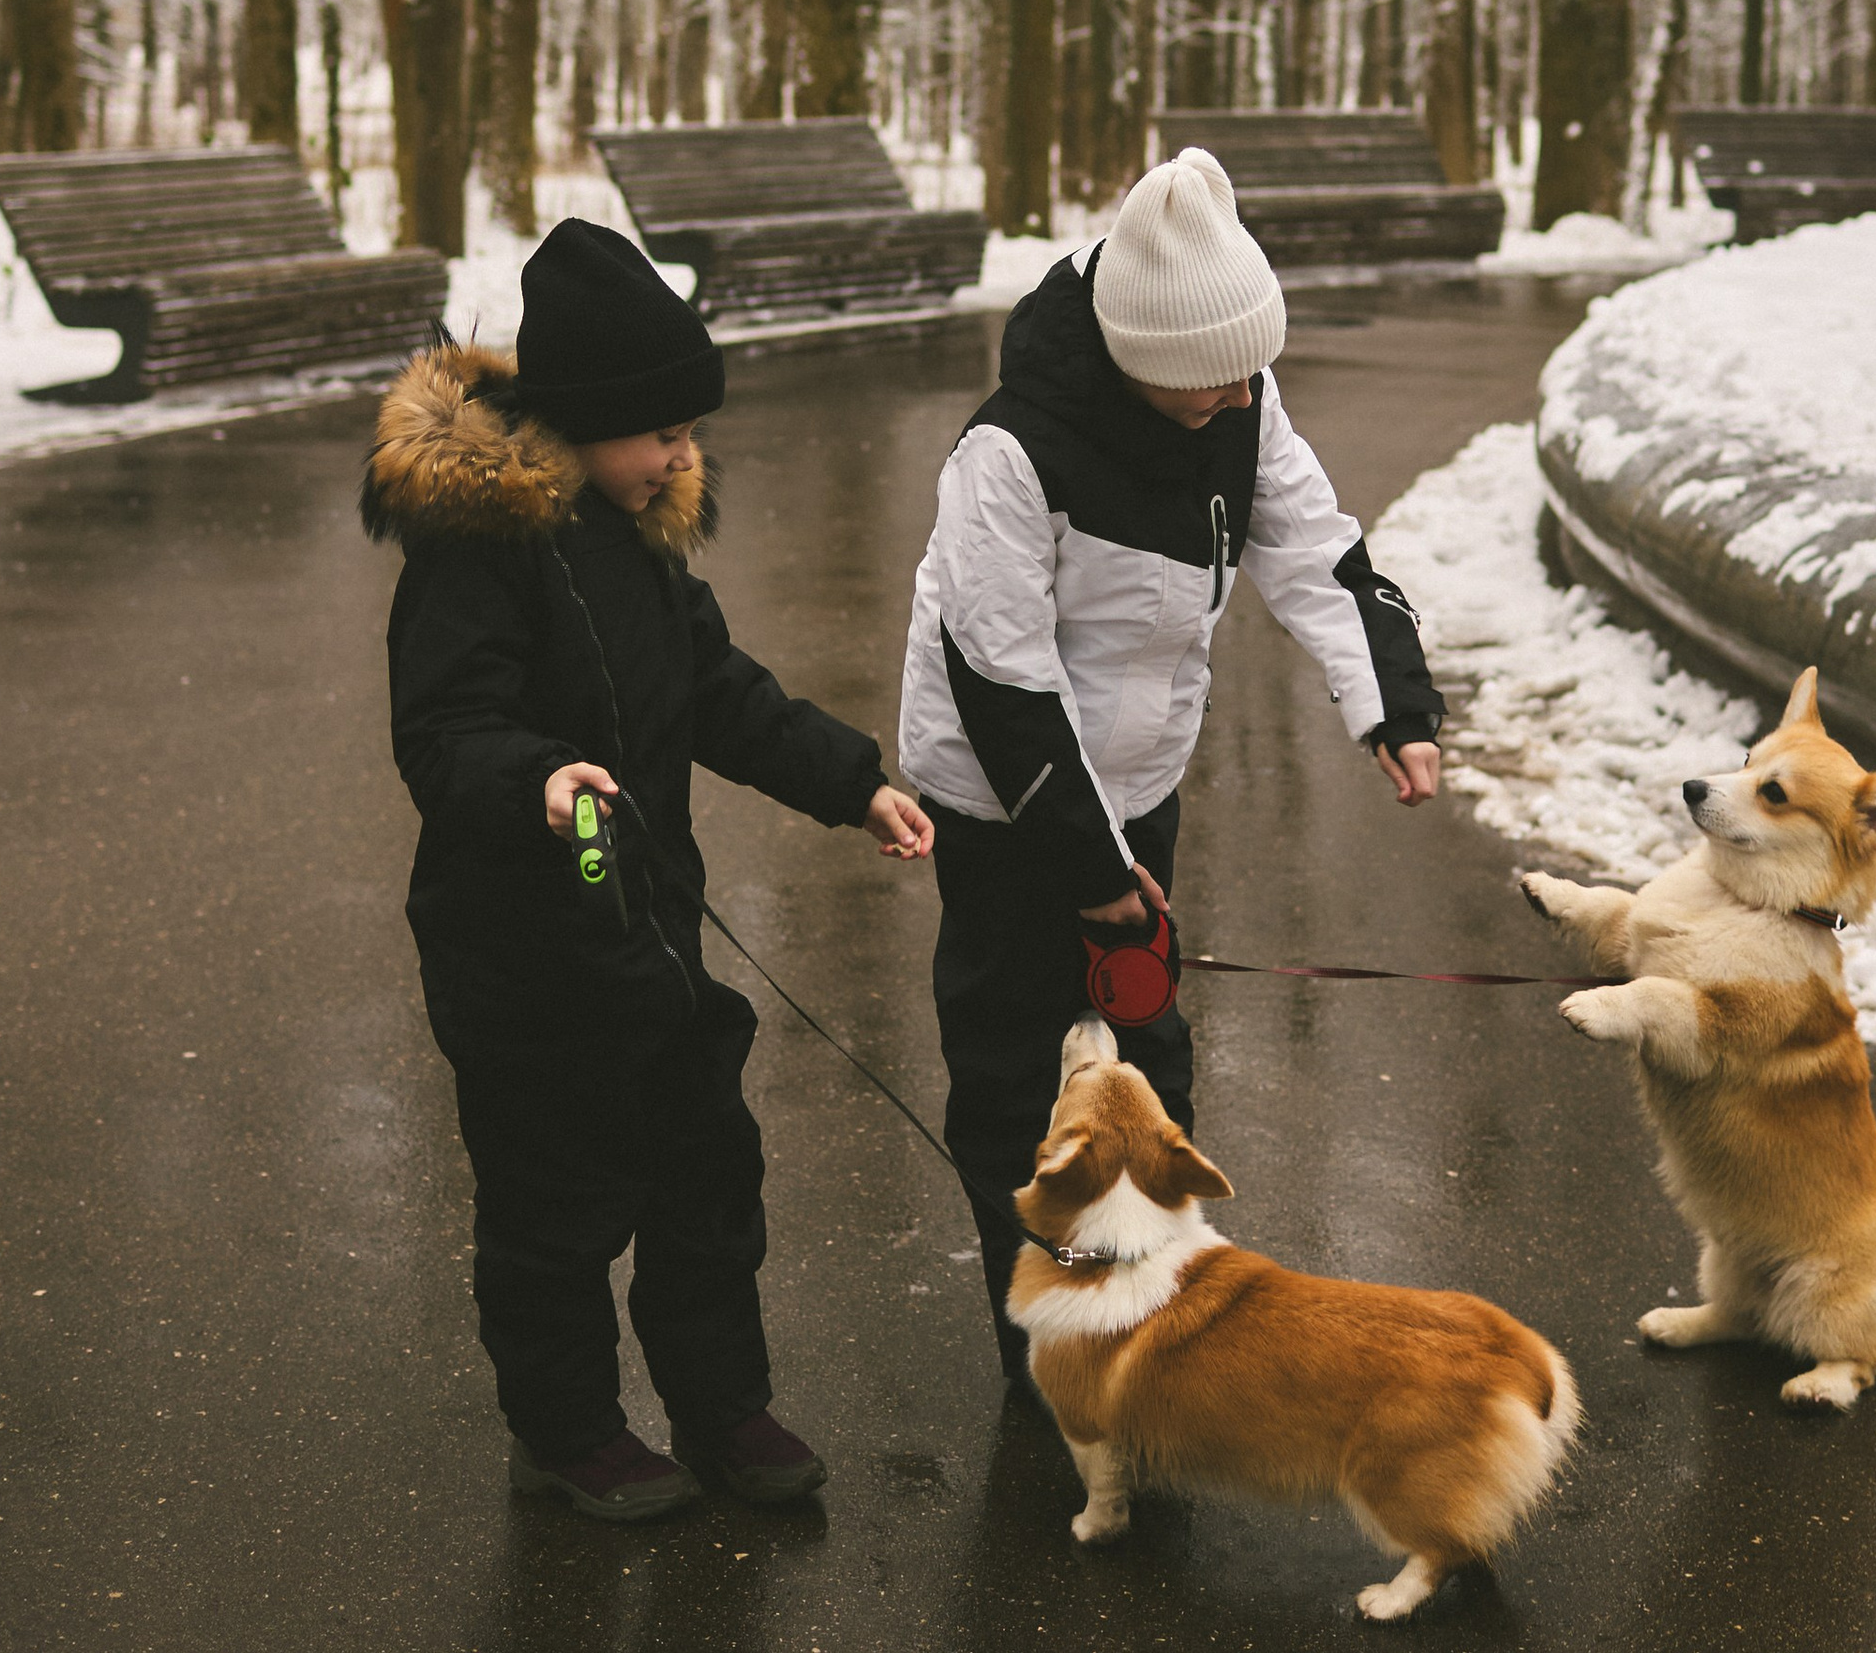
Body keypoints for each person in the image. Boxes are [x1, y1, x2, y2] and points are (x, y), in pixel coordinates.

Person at [362, 217, 934, 1524]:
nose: (683, 454)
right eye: (659, 433)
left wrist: (854, 781)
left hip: (649, 934)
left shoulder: (638, 538)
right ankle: (567, 1432)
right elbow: (446, 729)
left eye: (691, 431)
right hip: (520, 953)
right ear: (579, 422)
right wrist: (538, 780)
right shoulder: (476, 548)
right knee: (554, 1209)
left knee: (705, 1178)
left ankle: (723, 1406)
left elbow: (715, 693)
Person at [899, 146, 1444, 1378]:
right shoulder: (1008, 455)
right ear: (1139, 365)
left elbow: (1322, 554)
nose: (1240, 401)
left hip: (1138, 783)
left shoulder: (1233, 390)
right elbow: (1004, 680)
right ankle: (1045, 1347)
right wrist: (1088, 869)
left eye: (1250, 373)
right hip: (1009, 801)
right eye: (1209, 383)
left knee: (1145, 1052)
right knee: (1015, 1075)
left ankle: (1146, 1317)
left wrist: (1393, 709)